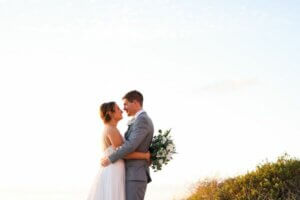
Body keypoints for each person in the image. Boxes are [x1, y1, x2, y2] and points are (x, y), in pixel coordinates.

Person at [87, 101, 151, 200]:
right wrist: (145, 156)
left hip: (114, 168)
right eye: (117, 109)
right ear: (110, 113)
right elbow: (123, 154)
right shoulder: (112, 130)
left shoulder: (111, 129)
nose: (121, 110)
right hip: (114, 170)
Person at [101, 90, 154, 200]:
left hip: (135, 174)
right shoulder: (135, 121)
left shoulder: (142, 119)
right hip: (129, 173)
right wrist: (145, 156)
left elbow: (130, 146)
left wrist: (110, 158)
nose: (123, 108)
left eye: (125, 104)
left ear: (135, 103)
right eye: (120, 107)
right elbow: (127, 147)